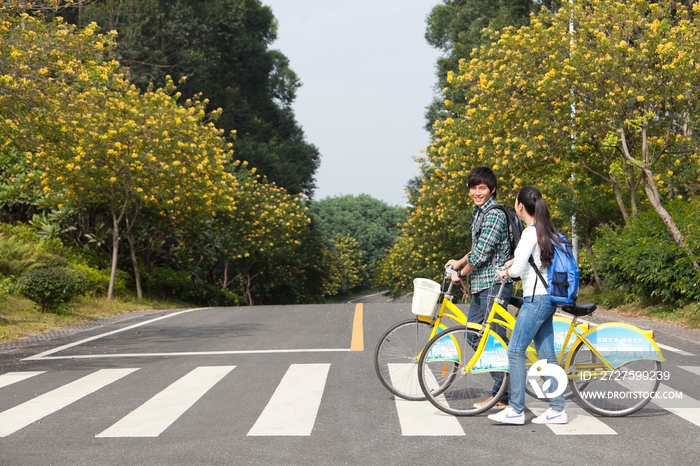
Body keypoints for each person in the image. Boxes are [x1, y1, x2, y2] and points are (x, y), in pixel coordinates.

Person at [488, 186, 567, 425]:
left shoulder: (529, 233)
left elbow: (518, 269)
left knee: (514, 351)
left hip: (536, 300)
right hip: (548, 298)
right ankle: (557, 408)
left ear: (520, 206)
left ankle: (516, 409)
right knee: (546, 356)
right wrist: (513, 264)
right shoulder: (545, 229)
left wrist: (505, 273)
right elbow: (531, 260)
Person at [445, 166, 513, 409]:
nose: (477, 192)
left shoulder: (494, 214)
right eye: (473, 188)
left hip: (495, 285)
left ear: (492, 189)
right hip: (481, 286)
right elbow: (479, 247)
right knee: (475, 335)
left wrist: (459, 274)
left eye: (482, 188)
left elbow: (482, 255)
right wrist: (460, 261)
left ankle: (504, 394)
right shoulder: (480, 212)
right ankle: (505, 388)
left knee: (493, 339)